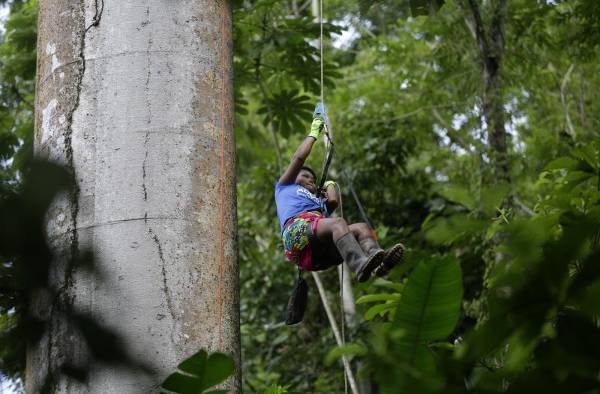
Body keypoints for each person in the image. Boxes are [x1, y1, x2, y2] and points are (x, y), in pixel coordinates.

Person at [274, 114, 404, 282]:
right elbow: (299, 158)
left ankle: (377, 262)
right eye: (305, 176)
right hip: (296, 236)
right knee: (338, 223)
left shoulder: (317, 205)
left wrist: (328, 183)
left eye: (313, 180)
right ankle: (359, 265)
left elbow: (334, 201)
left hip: (320, 255)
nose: (310, 180)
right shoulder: (285, 186)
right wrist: (314, 132)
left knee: (361, 228)